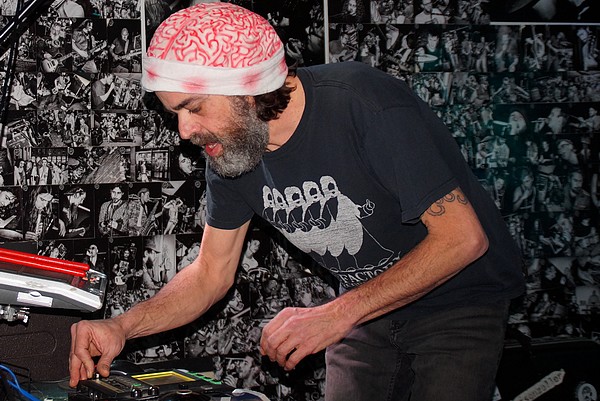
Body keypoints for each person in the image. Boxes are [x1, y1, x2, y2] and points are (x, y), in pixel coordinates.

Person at [69, 4, 524, 401]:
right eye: (175, 114)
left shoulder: (362, 103)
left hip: (457, 304)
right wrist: (121, 327)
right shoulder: (230, 153)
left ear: (248, 89)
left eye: (195, 107)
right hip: (364, 312)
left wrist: (335, 314)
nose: (185, 131)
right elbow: (210, 273)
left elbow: (463, 239)